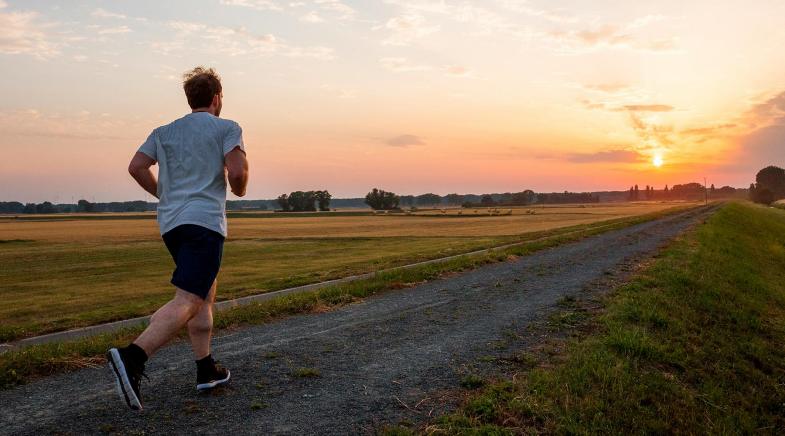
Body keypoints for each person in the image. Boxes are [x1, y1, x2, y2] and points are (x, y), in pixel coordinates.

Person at [107, 66, 249, 411]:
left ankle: (206, 368)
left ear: (190, 99)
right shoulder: (227, 128)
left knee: (202, 294)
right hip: (204, 224)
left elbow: (136, 167)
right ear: (217, 99)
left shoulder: (164, 131)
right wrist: (240, 188)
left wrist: (164, 194)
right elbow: (238, 172)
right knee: (189, 298)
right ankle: (133, 356)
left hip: (172, 225)